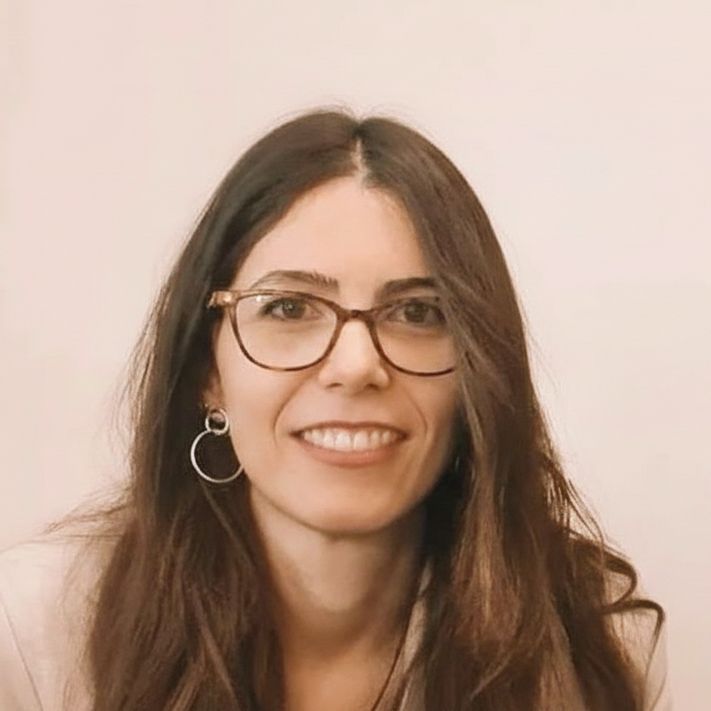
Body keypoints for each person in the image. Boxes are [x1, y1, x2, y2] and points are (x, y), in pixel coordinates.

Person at [0, 109, 670, 710]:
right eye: (289, 307)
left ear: (477, 373)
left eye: (417, 312)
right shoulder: (29, 636)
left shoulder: (599, 645)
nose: (355, 366)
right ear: (208, 370)